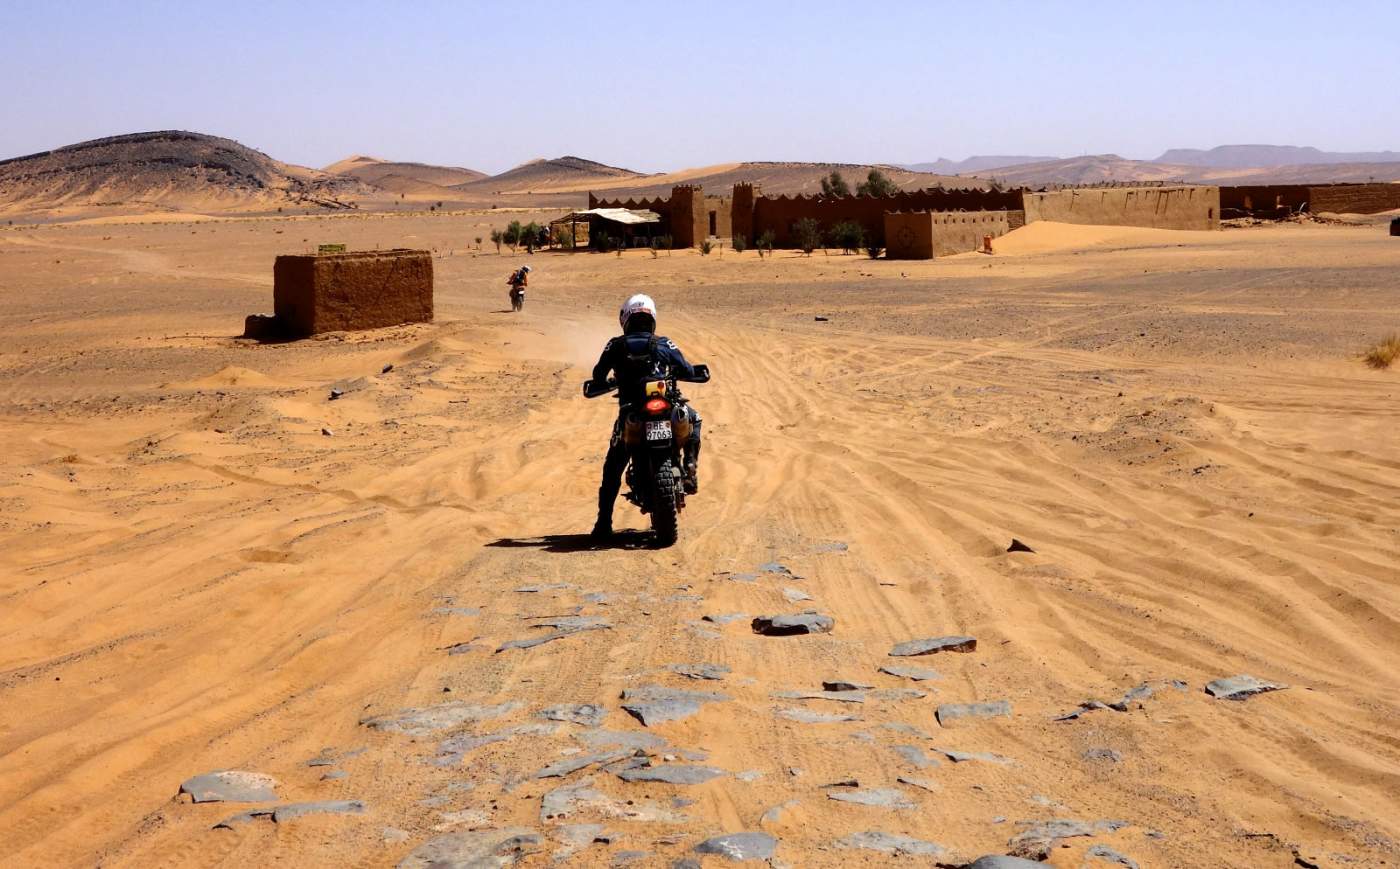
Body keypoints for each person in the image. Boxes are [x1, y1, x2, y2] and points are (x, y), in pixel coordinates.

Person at [590, 294, 702, 539]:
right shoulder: (664, 343)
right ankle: (691, 465)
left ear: (626, 319)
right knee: (695, 418)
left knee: (613, 468)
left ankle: (603, 524)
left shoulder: (615, 345)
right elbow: (687, 369)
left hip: (631, 413)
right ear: (652, 318)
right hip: (666, 409)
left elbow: (598, 375)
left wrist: (608, 381)